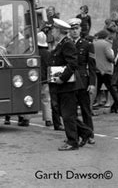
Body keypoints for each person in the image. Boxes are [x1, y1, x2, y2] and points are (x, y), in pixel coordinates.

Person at [49, 18, 93, 151]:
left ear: (59, 31)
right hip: (62, 85)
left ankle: (72, 141)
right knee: (65, 113)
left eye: (54, 30)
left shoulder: (66, 44)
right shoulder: (61, 44)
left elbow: (72, 64)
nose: (52, 32)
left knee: (67, 114)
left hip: (67, 85)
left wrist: (62, 78)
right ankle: (85, 132)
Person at [67, 18, 96, 144]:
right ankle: (76, 134)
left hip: (83, 80)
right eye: (72, 29)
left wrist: (92, 83)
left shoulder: (87, 45)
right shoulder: (67, 44)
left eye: (76, 29)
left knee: (85, 109)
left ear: (80, 30)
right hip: (69, 80)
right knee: (71, 110)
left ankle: (90, 134)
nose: (74, 31)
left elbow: (92, 66)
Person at [92, 30, 118, 113]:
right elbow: (109, 56)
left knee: (95, 90)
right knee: (112, 89)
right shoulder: (106, 44)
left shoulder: (93, 43)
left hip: (96, 69)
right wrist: (114, 60)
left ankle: (90, 107)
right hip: (106, 70)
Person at [38, 32, 53, 127]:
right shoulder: (48, 54)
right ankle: (48, 119)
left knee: (29, 98)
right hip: (45, 79)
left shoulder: (33, 52)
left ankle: (25, 118)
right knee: (46, 99)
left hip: (34, 79)